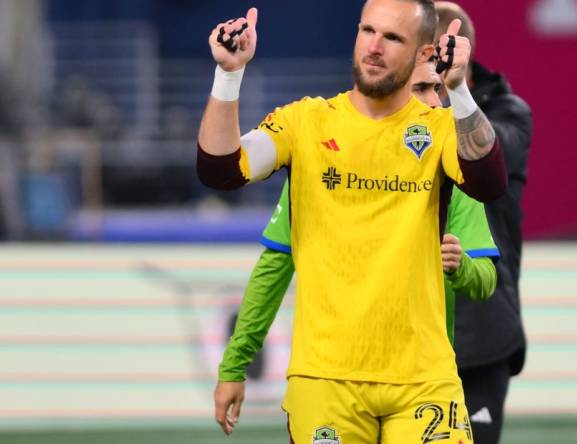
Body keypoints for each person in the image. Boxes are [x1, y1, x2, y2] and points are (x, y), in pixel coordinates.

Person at [196, 1, 508, 441]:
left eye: (393, 38)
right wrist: (228, 76)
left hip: (424, 380)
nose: (375, 47)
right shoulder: (304, 122)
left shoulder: (439, 129)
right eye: (367, 31)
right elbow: (221, 169)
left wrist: (457, 90)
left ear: (424, 54)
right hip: (325, 381)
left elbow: (490, 181)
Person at [217, 56, 499, 392]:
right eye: (422, 89)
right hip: (331, 379)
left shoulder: (451, 162)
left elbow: (486, 280)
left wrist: (461, 267)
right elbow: (275, 266)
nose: (436, 102)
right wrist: (235, 364)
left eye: (437, 88)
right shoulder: (323, 156)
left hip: (419, 379)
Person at [434, 3, 533, 443]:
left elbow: (486, 155)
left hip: (482, 329)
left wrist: (452, 92)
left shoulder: (510, 114)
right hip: (409, 329)